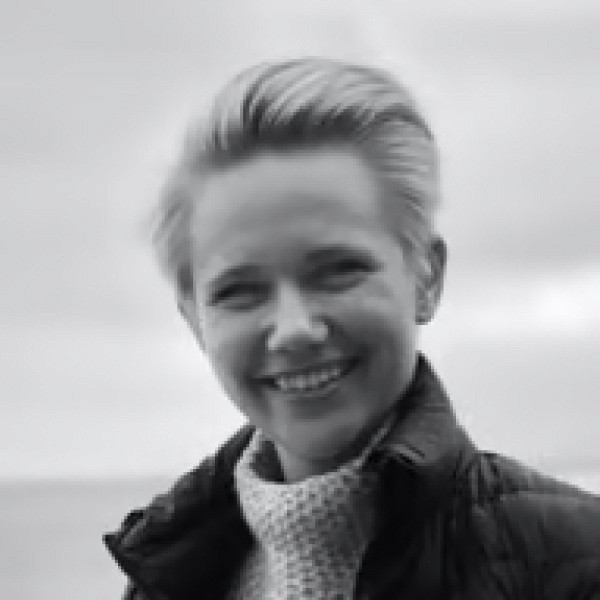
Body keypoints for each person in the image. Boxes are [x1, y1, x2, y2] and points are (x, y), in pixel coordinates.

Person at [104, 58, 600, 599]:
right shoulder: (165, 580)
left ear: (426, 276)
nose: (294, 329)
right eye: (240, 291)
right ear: (194, 319)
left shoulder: (576, 563)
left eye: (338, 271)